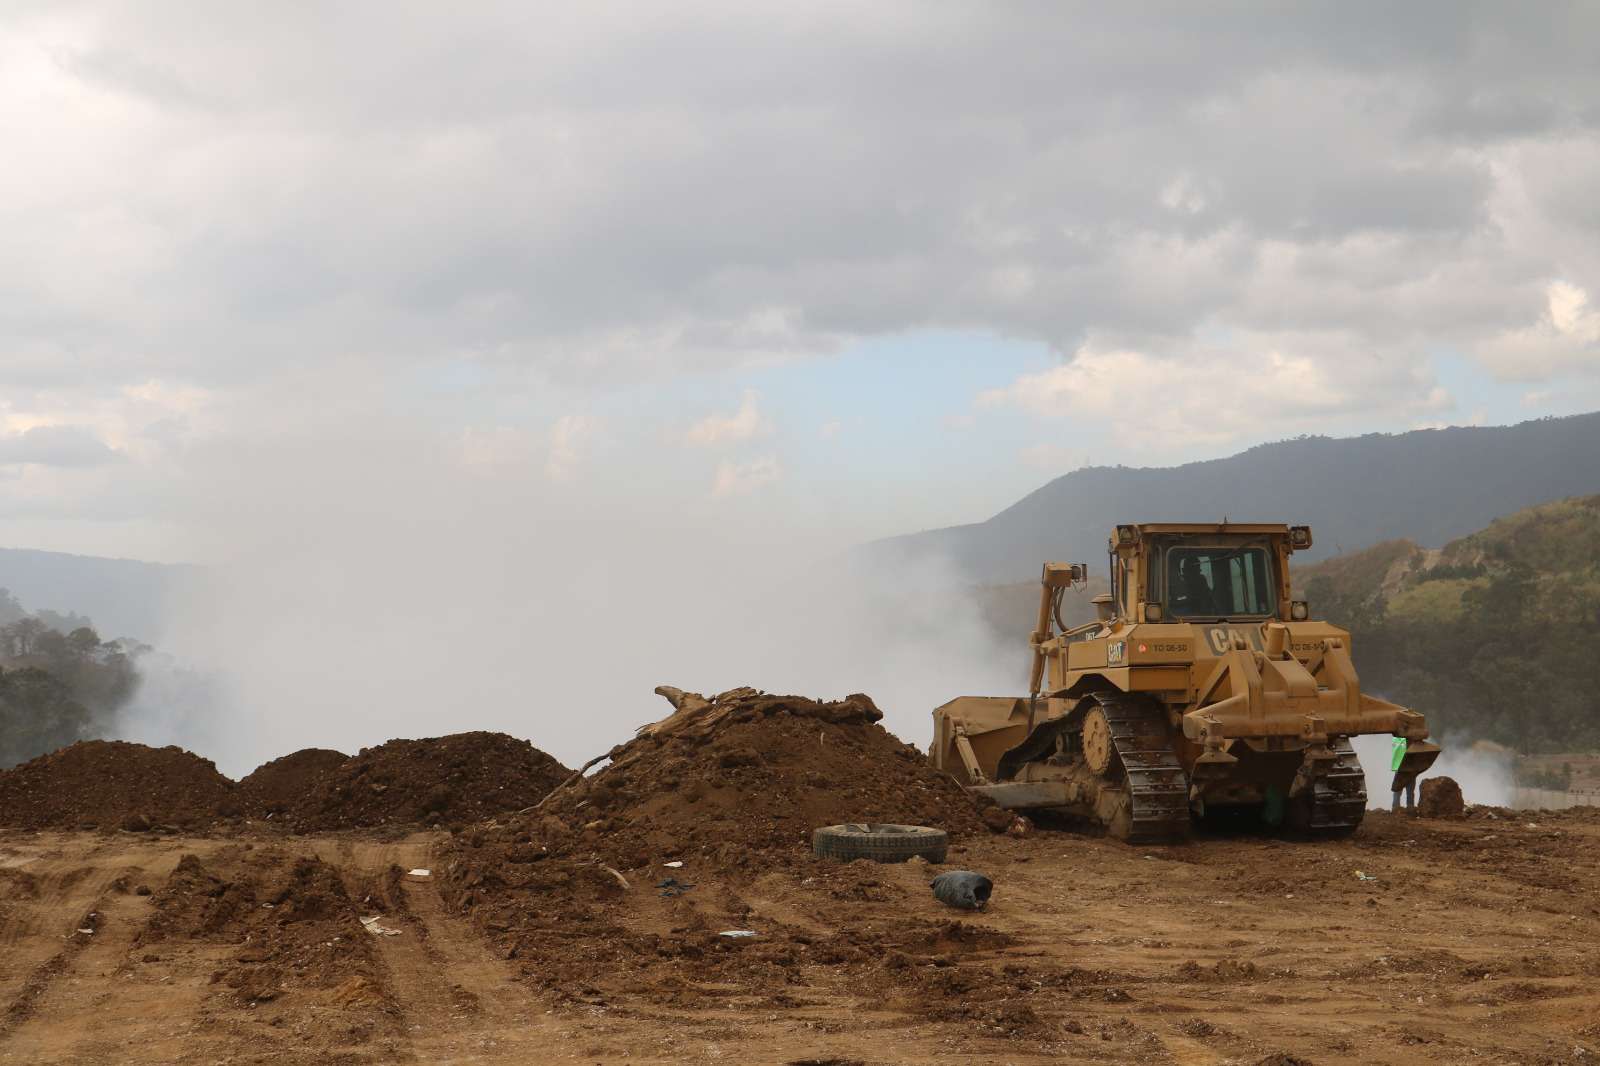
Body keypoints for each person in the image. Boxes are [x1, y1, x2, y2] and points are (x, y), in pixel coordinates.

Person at [1391, 736, 1415, 814]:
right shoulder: (1408, 742)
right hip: (1407, 768)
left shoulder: (1399, 740)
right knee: (1407, 790)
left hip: (1403, 768)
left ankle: (1396, 808)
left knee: (1399, 789)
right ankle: (1409, 808)